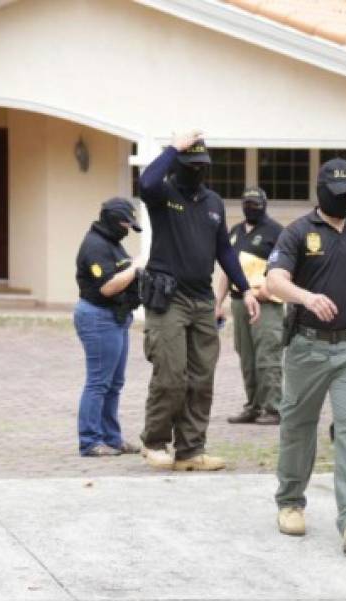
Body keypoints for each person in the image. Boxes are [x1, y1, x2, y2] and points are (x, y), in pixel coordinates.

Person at [266, 158, 346, 556]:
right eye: (338, 196)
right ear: (321, 193)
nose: (345, 201)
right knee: (298, 426)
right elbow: (274, 280)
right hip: (307, 348)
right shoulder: (298, 233)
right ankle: (289, 501)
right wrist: (306, 297)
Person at [137, 131, 260, 471]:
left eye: (201, 165)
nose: (196, 171)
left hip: (203, 299)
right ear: (178, 164)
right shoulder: (163, 194)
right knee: (171, 375)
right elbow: (145, 182)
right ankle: (155, 441)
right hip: (168, 298)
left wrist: (245, 289)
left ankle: (191, 450)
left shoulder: (213, 203)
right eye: (189, 164)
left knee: (202, 378)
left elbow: (224, 250)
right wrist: (173, 148)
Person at [73, 197, 144, 457]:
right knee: (98, 383)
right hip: (98, 317)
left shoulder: (111, 243)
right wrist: (136, 267)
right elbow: (107, 286)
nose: (127, 231)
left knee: (114, 383)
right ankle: (90, 442)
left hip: (115, 317)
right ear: (114, 221)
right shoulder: (95, 245)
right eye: (126, 225)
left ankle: (112, 439)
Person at [215, 187, 284, 426]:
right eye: (247, 203)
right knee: (247, 356)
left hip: (265, 303)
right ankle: (253, 406)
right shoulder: (234, 232)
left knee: (268, 355)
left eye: (256, 204)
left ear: (264, 205)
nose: (251, 208)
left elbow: (284, 268)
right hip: (238, 302)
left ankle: (274, 408)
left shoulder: (276, 232)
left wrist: (268, 290)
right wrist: (218, 302)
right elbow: (227, 270)